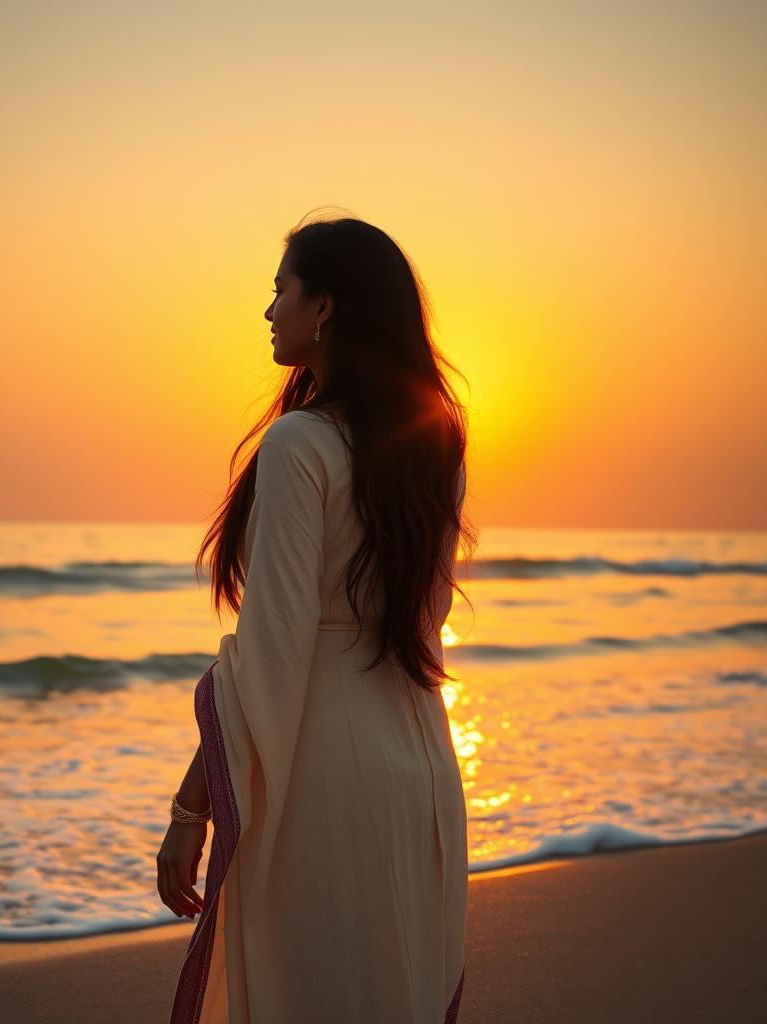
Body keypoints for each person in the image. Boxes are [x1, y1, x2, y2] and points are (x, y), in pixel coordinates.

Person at [161, 211, 478, 1023]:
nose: (270, 311)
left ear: (325, 308)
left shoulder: (298, 443)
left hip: (326, 773)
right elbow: (427, 619)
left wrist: (192, 809)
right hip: (420, 761)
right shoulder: (437, 444)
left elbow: (271, 655)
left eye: (280, 291)